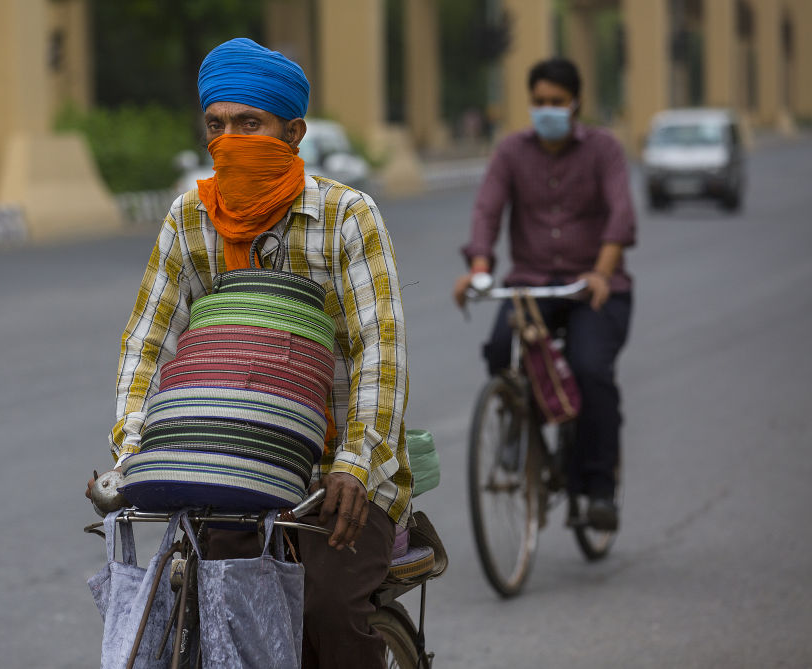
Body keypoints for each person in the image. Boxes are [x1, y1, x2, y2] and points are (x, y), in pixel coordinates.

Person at [87, 38, 411, 668]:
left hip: (338, 476)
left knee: (324, 609)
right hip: (223, 463)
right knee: (194, 604)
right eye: (217, 125)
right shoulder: (188, 219)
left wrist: (354, 463)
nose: (230, 139)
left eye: (250, 124)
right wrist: (131, 453)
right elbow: (146, 343)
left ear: (293, 133)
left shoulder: (347, 217)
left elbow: (381, 351)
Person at [452, 57, 635, 531]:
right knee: (498, 349)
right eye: (539, 102)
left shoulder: (604, 149)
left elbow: (620, 215)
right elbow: (487, 211)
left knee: (590, 368)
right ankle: (518, 428)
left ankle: (598, 487)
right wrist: (479, 267)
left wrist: (601, 271)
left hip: (591, 288)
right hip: (530, 285)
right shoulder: (512, 151)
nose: (546, 109)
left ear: (576, 103)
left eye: (556, 102)